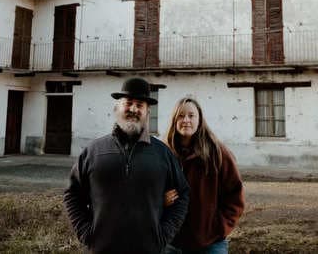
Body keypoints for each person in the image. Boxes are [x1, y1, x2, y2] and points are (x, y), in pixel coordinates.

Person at [63, 77, 190, 254]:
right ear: (117, 108)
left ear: (147, 111)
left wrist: (163, 235)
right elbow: (72, 194)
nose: (133, 109)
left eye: (140, 105)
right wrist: (86, 234)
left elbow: (182, 194)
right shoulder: (93, 151)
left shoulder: (162, 153)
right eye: (128, 103)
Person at [164, 97, 245, 254]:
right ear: (174, 120)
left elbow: (235, 194)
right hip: (171, 242)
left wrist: (218, 228)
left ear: (199, 119)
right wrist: (161, 200)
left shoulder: (217, 153)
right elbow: (151, 191)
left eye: (191, 115)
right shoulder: (164, 153)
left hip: (210, 243)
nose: (186, 120)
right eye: (180, 115)